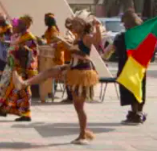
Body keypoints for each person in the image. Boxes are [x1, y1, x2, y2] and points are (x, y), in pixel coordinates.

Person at [13, 13, 101, 144]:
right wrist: (61, 40)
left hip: (82, 72)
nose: (73, 27)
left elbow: (97, 41)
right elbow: (72, 48)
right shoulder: (78, 38)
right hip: (73, 68)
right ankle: (24, 83)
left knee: (79, 107)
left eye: (75, 25)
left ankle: (83, 134)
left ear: (82, 26)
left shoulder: (86, 37)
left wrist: (97, 27)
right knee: (49, 71)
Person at [0, 15, 39, 122]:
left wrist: (21, 49)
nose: (17, 25)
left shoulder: (29, 37)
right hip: (16, 66)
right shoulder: (21, 35)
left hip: (24, 68)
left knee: (23, 90)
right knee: (12, 88)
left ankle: (26, 114)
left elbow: (34, 52)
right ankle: (4, 109)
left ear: (26, 25)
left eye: (20, 24)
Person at [113, 9, 147, 125]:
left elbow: (115, 48)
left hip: (128, 65)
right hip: (139, 66)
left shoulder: (123, 37)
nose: (123, 25)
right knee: (139, 88)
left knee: (131, 90)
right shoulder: (143, 35)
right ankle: (138, 112)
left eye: (124, 23)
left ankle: (135, 114)